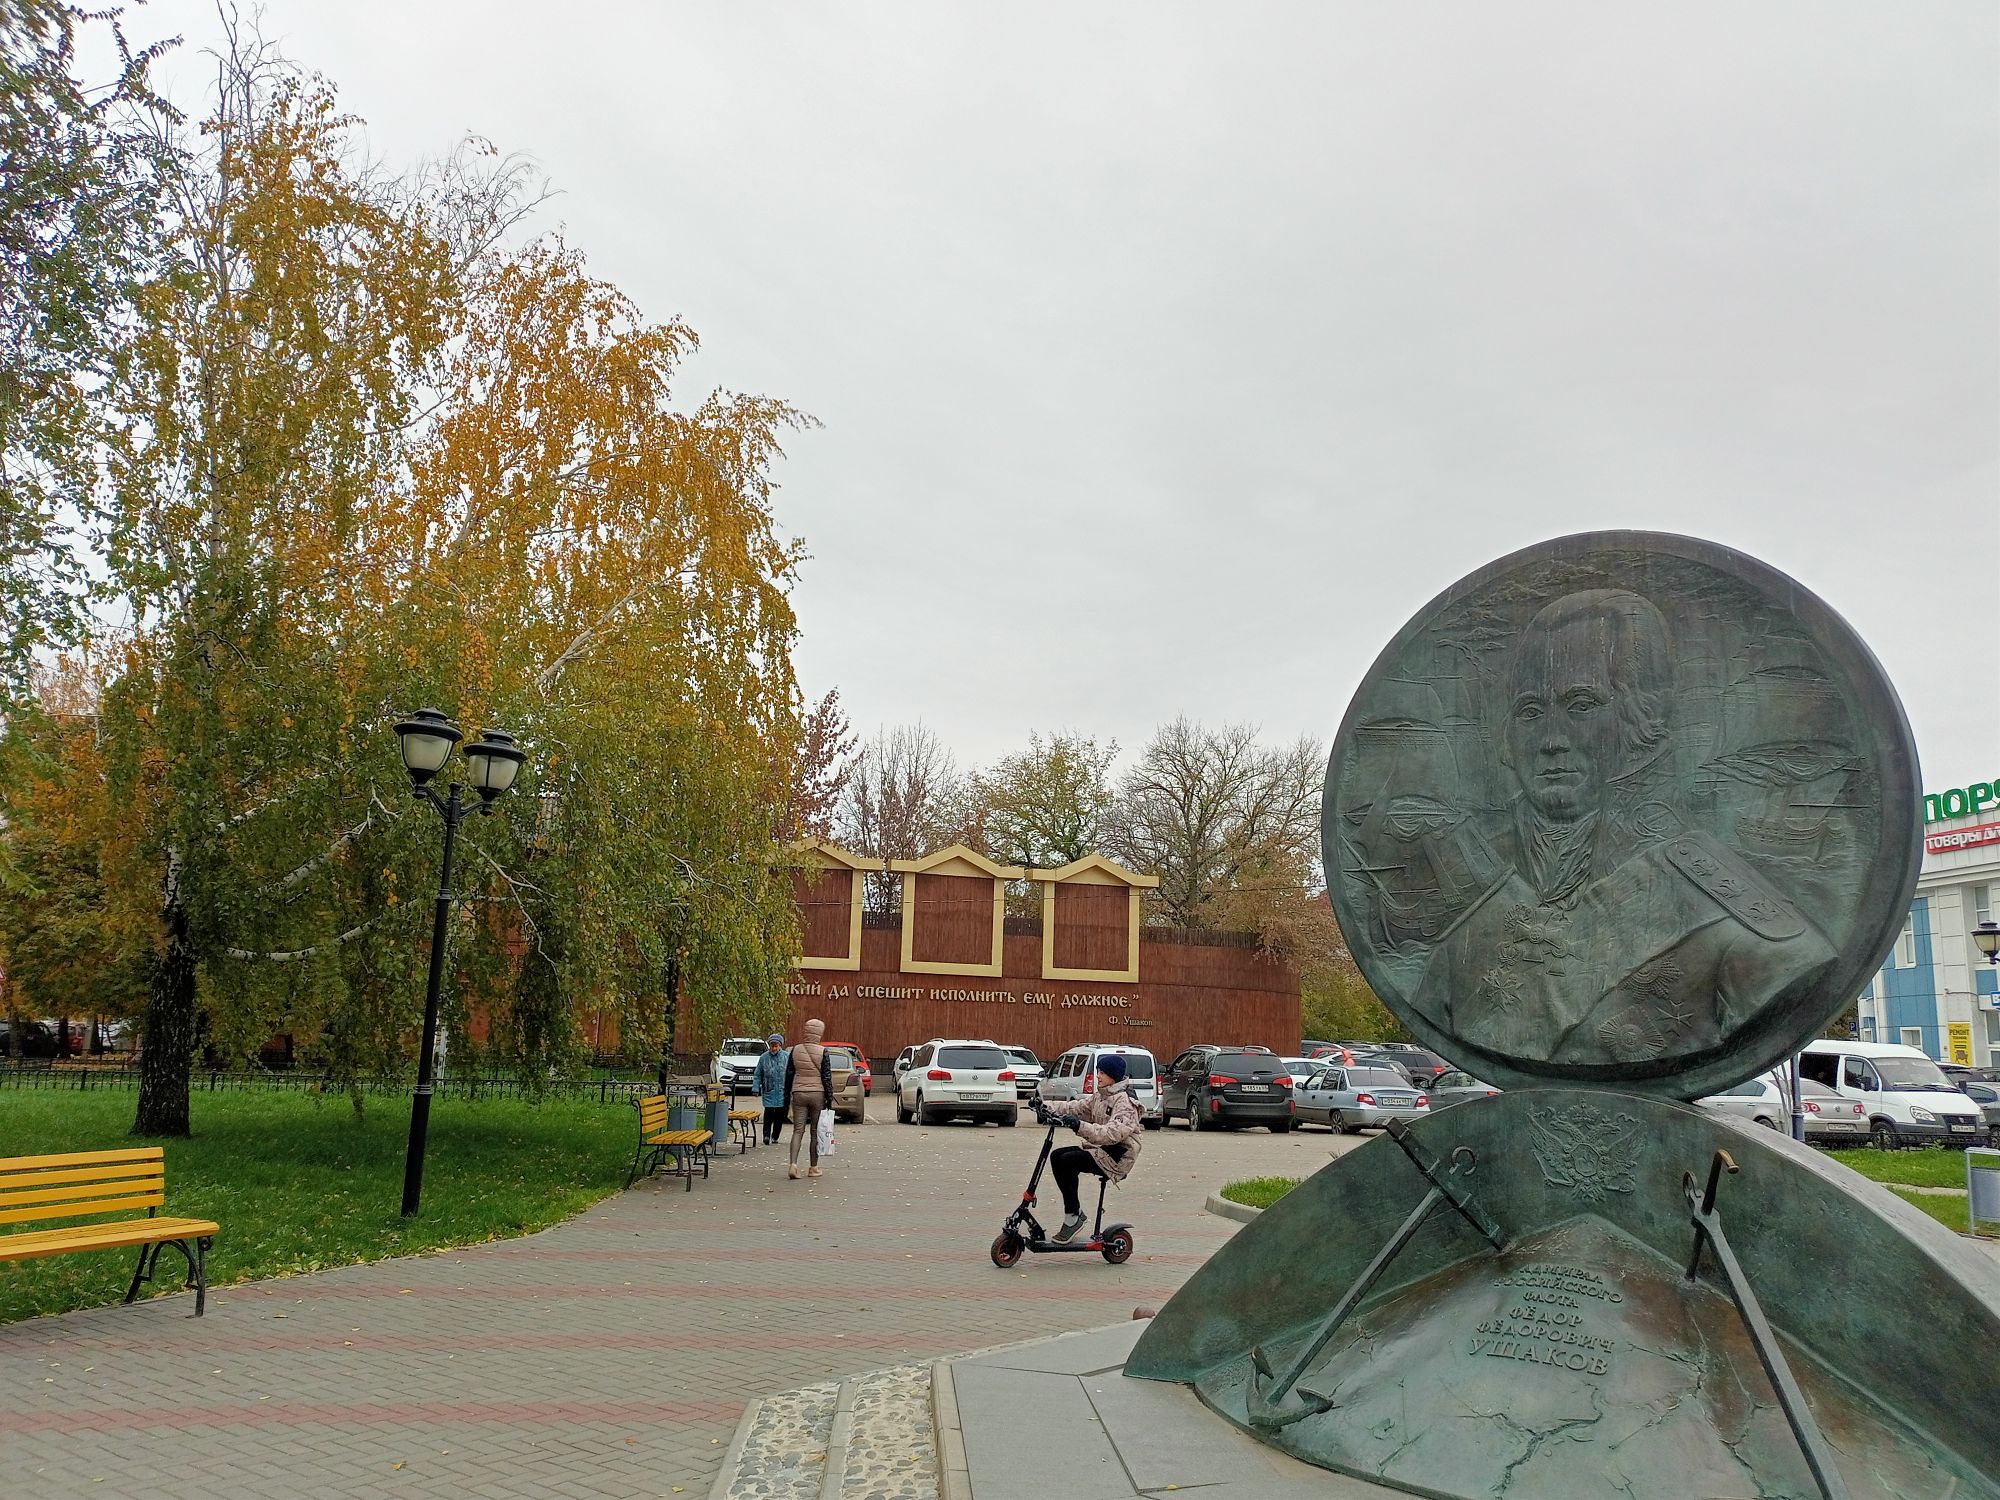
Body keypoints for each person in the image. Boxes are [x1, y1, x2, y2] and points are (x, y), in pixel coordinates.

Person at [1408, 588, 1837, 1064]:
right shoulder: (1472, 896)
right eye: (1531, 711)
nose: (1551, 739)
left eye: (1582, 704)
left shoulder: (1736, 921)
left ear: (1642, 717)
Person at [1037, 1053, 1143, 1243]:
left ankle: (1073, 1217)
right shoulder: (1101, 1096)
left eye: (1102, 1072)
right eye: (1098, 1071)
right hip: (1102, 1150)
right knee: (1057, 1156)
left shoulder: (1125, 1103)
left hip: (1117, 1156)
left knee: (1067, 1161)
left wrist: (1080, 1126)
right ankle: (1074, 1213)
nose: (1098, 1076)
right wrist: (1045, 1106)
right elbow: (1076, 1107)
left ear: (1114, 1076)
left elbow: (1111, 1134)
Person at [784, 1018, 834, 1180]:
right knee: (815, 1132)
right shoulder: (823, 1051)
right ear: (819, 1033)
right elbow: (826, 1076)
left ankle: (793, 1164)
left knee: (798, 1130)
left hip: (798, 1092)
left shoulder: (795, 1050)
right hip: (817, 1094)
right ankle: (813, 1167)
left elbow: (789, 1074)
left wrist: (787, 1096)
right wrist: (829, 1098)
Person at [753, 1032, 788, 1144]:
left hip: (782, 1091)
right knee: (768, 1114)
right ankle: (766, 1135)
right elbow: (757, 1074)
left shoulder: (786, 1057)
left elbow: (791, 1073)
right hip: (769, 1090)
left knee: (779, 1116)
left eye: (776, 1046)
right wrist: (755, 1088)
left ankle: (775, 1136)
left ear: (780, 1045)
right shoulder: (764, 1058)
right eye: (772, 1045)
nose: (774, 1048)